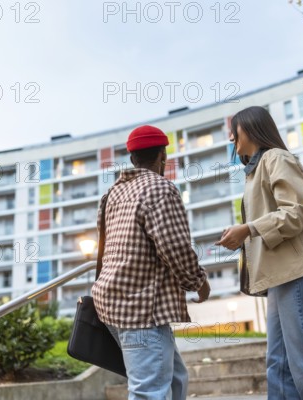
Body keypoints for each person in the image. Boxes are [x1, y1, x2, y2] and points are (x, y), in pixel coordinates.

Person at [215, 106, 303, 400]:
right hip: (282, 276)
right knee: (279, 371)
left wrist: (248, 229)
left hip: (298, 272)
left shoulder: (276, 158)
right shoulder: (256, 170)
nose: (230, 137)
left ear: (250, 129)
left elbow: (294, 214)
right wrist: (244, 232)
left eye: (234, 129)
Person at [92, 125, 211, 400]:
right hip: (140, 308)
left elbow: (103, 247)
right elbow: (175, 248)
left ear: (132, 159)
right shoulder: (160, 189)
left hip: (111, 304)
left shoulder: (112, 194)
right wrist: (199, 283)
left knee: (176, 379)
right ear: (162, 157)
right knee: (149, 392)